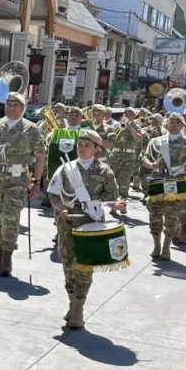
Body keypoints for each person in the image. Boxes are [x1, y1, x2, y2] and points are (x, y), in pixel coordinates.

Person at [47, 129, 124, 329]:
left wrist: (117, 205)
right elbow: (53, 194)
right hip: (67, 224)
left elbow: (111, 197)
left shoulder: (105, 171)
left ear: (97, 149)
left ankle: (78, 308)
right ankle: (73, 302)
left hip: (91, 224)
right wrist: (61, 209)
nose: (82, 148)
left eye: (87, 145)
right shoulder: (65, 168)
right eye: (80, 144)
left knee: (84, 266)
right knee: (67, 266)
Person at [0, 92, 45, 276]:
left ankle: (7, 258)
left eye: (14, 105)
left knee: (10, 216)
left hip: (17, 178)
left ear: (22, 108)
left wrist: (36, 181)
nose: (10, 107)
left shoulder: (31, 129)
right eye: (8, 104)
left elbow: (40, 156)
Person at [141, 112, 186, 259]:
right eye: (171, 122)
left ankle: (166, 246)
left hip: (176, 182)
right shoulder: (156, 141)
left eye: (177, 122)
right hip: (158, 180)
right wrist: (151, 164)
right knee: (154, 215)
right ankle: (156, 245)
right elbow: (144, 157)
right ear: (166, 123)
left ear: (182, 125)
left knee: (172, 216)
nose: (174, 124)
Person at [105, 107, 144, 200]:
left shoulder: (137, 126)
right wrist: (118, 128)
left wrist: (130, 127)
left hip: (129, 156)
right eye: (126, 113)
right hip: (116, 155)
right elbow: (109, 136)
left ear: (134, 116)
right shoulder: (116, 124)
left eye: (130, 114)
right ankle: (113, 201)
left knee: (125, 179)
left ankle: (123, 200)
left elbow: (138, 138)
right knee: (112, 178)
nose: (127, 115)